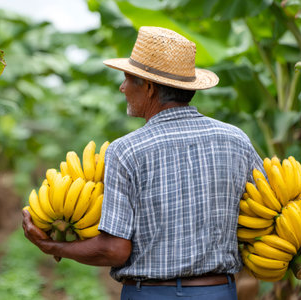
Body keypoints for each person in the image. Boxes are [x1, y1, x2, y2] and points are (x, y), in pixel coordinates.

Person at [22, 26, 263, 299]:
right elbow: (263, 212)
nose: (123, 87)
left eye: (127, 78)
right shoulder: (236, 140)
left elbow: (115, 249)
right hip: (218, 292)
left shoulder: (126, 151)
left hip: (151, 293)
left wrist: (53, 247)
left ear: (148, 87)